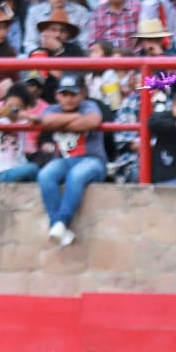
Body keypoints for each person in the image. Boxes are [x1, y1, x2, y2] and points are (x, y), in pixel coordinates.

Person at [29, 72, 106, 247]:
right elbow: (48, 121)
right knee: (45, 175)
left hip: (92, 160)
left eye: (73, 94)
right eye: (64, 94)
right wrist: (76, 117)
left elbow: (92, 121)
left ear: (82, 94)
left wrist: (60, 122)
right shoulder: (53, 109)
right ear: (57, 95)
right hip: (64, 160)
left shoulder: (90, 105)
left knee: (76, 175)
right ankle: (60, 228)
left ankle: (59, 223)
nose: (69, 99)